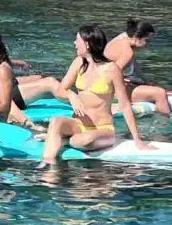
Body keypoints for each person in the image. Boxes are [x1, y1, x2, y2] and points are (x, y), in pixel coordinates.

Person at [37, 24, 154, 168]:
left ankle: (64, 140)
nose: (74, 43)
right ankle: (46, 164)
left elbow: (124, 105)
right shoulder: (79, 63)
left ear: (87, 44)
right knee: (56, 121)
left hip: (102, 129)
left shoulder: (112, 69)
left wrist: (137, 140)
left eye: (77, 40)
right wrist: (71, 95)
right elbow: (61, 90)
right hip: (78, 125)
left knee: (86, 140)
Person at [105, 18, 171, 115]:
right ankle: (165, 125)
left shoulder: (119, 42)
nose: (147, 44)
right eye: (146, 40)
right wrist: (123, 102)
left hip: (106, 87)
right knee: (160, 93)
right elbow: (112, 74)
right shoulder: (127, 52)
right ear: (136, 37)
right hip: (111, 92)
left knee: (145, 87)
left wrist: (145, 81)